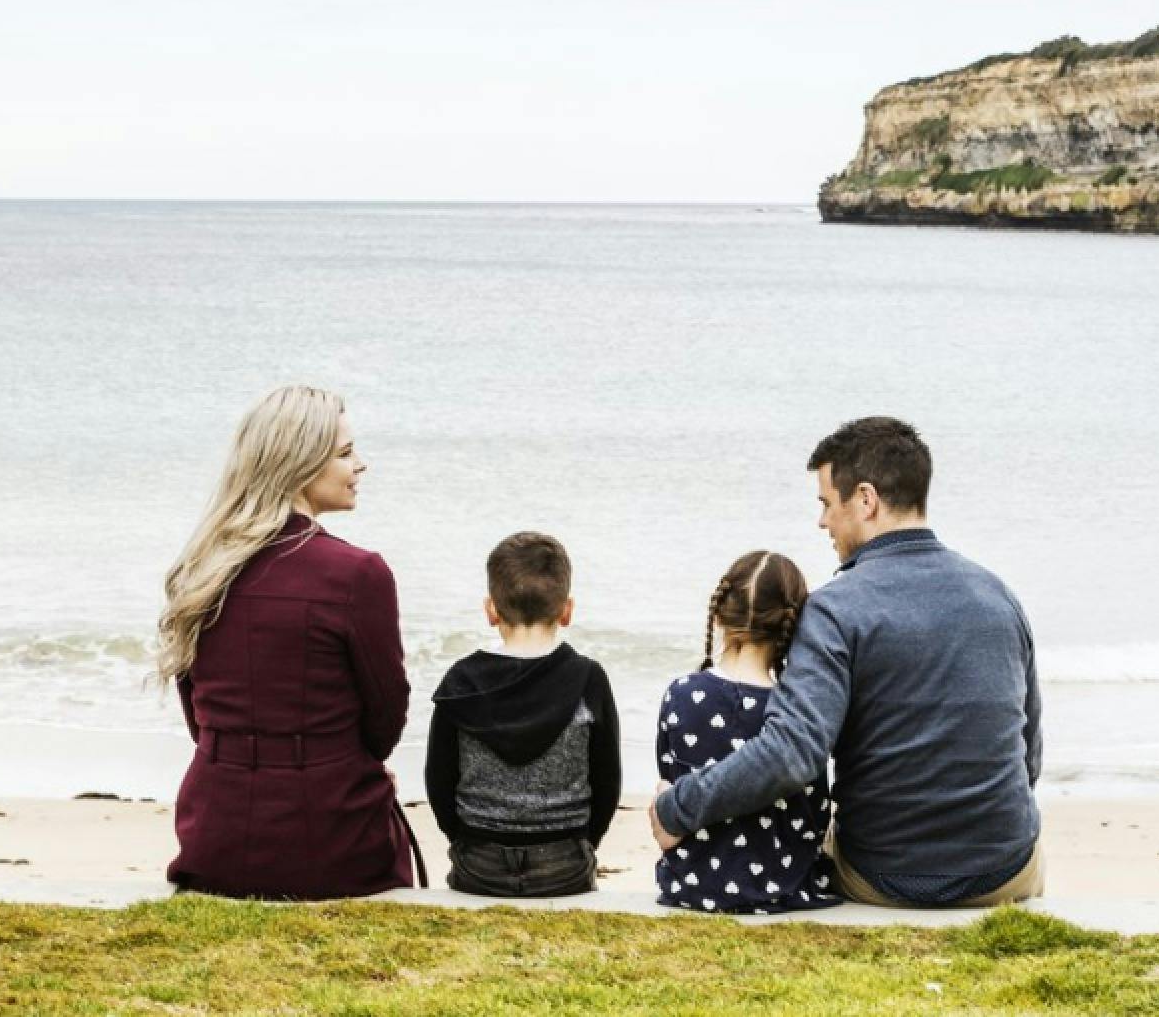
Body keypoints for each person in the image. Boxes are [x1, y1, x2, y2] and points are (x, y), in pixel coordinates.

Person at [651, 417, 1043, 909]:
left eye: (825, 504)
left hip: (883, 876)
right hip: (1003, 872)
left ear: (865, 499)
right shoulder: (999, 596)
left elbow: (792, 754)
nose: (822, 522)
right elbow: (1028, 753)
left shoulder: (836, 609)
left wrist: (676, 809)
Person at [159, 385, 416, 900]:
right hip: (333, 837)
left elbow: (199, 719)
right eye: (345, 453)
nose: (360, 465)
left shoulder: (202, 568)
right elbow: (385, 719)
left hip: (216, 834)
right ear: (298, 463)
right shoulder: (358, 573)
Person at [424, 532, 621, 897]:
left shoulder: (462, 679)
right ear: (567, 611)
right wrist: (587, 842)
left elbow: (438, 778)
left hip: (478, 859)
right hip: (565, 860)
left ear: (490, 610)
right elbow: (607, 779)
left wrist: (462, 840)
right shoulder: (587, 678)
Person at [654, 550, 840, 914]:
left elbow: (669, 777)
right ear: (794, 626)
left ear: (720, 614)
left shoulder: (682, 694)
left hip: (696, 884)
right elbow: (817, 811)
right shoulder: (796, 712)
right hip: (786, 885)